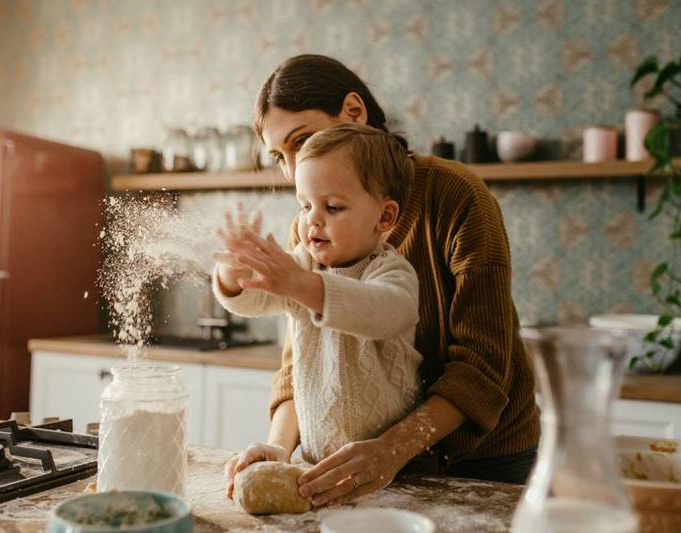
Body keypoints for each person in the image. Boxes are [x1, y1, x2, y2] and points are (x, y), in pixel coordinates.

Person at [225, 54, 541, 508]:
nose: (294, 170)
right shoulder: (310, 227)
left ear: (354, 112)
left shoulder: (457, 195)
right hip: (371, 461)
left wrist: (393, 449)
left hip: (482, 456)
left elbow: (483, 362)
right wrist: (279, 446)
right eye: (280, 156)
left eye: (304, 141)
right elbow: (301, 361)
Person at [212, 123, 423, 471]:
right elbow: (254, 299)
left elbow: (381, 311)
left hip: (387, 469)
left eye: (333, 207)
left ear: (384, 217)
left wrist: (301, 284)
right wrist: (233, 274)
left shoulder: (392, 273)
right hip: (312, 462)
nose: (313, 220)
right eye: (305, 205)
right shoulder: (303, 266)